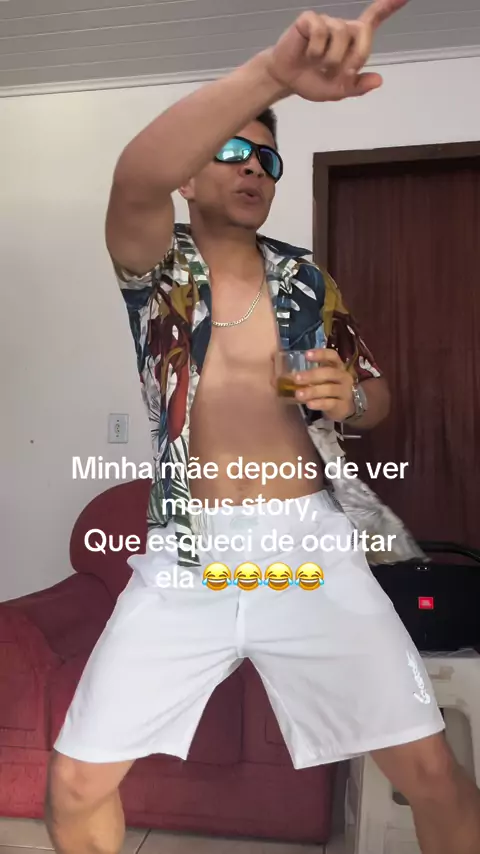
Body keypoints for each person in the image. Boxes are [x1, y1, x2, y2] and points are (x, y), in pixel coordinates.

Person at [45, 2, 480, 853]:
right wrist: (275, 75)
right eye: (231, 151)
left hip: (309, 545)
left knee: (432, 770)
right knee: (75, 781)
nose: (253, 167)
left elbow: (377, 395)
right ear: (190, 175)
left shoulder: (306, 280)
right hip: (188, 554)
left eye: (267, 158)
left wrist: (350, 401)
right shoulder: (156, 268)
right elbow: (136, 175)